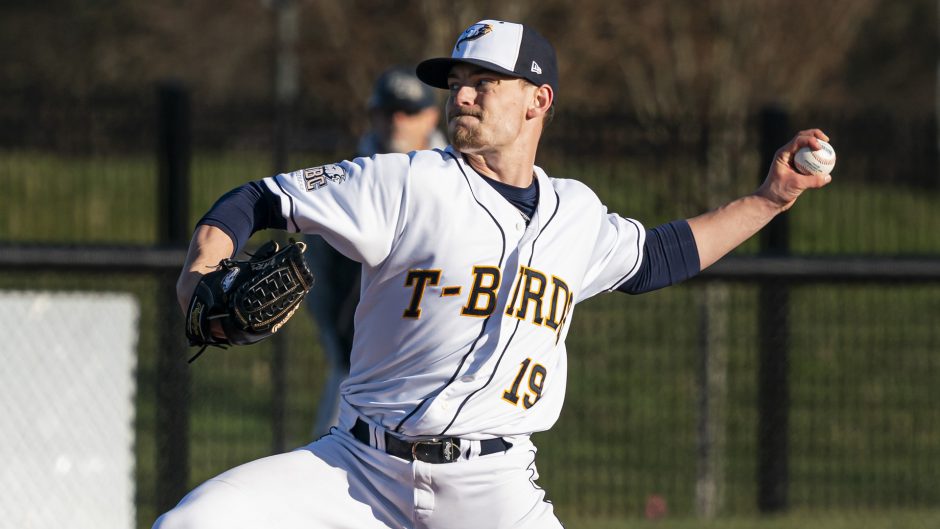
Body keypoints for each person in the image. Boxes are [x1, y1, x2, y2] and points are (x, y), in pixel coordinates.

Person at [158, 19, 831, 529]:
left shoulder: (576, 213)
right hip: (358, 470)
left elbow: (660, 257)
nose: (464, 95)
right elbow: (254, 199)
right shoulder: (405, 181)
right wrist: (202, 270)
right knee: (188, 522)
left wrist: (770, 198)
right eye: (457, 82)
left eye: (485, 81)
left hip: (494, 488)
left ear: (538, 100)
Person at [307, 66, 447, 437]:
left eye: (409, 111)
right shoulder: (345, 179)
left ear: (431, 116)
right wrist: (340, 348)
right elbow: (318, 277)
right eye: (387, 112)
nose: (397, 121)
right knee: (330, 475)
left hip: (442, 371)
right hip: (359, 368)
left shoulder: (462, 180)